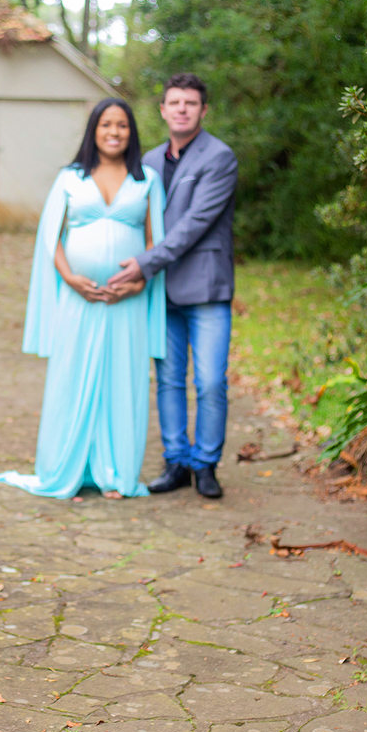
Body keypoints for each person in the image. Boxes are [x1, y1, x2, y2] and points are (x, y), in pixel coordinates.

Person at [0, 98, 166, 500]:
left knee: (123, 381)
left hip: (128, 301)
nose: (114, 132)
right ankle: (65, 472)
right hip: (79, 299)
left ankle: (117, 475)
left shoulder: (148, 180)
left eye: (122, 125)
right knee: (70, 380)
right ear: (94, 130)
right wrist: (70, 278)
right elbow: (50, 238)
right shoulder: (71, 177)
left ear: (132, 132)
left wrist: (139, 282)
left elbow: (154, 240)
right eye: (106, 124)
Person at [106, 73, 237, 499]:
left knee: (211, 381)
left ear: (203, 110)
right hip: (161, 291)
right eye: (175, 102)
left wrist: (143, 264)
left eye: (191, 103)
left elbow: (194, 225)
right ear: (162, 110)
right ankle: (177, 461)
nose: (182, 109)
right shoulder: (147, 161)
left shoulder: (220, 158)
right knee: (168, 380)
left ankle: (206, 465)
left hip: (206, 288)